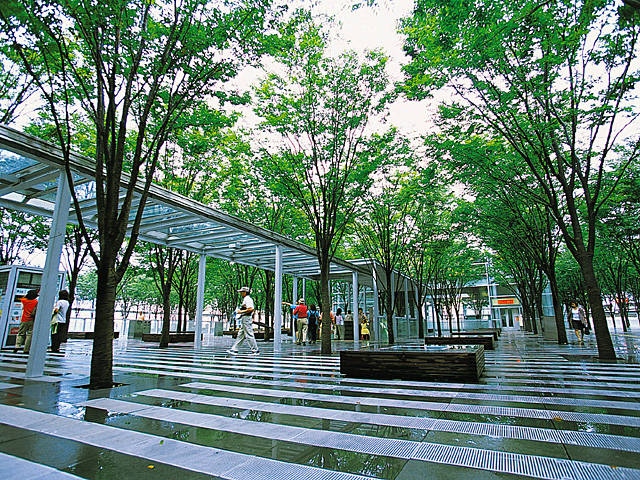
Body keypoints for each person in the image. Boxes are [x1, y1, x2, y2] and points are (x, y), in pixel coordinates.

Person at [227, 286, 259, 355]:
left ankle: (255, 350)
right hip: (244, 318)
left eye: (241, 292)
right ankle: (234, 349)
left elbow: (251, 309)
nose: (240, 293)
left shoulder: (247, 299)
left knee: (249, 334)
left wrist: (240, 312)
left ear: (245, 292)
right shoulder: (246, 299)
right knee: (240, 335)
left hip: (246, 318)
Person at [15, 289, 39, 354]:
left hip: (24, 319)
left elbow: (22, 298)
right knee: (29, 334)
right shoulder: (35, 302)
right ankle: (26, 349)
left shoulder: (24, 301)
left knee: (21, 333)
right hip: (32, 320)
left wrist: (27, 295)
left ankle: (17, 346)